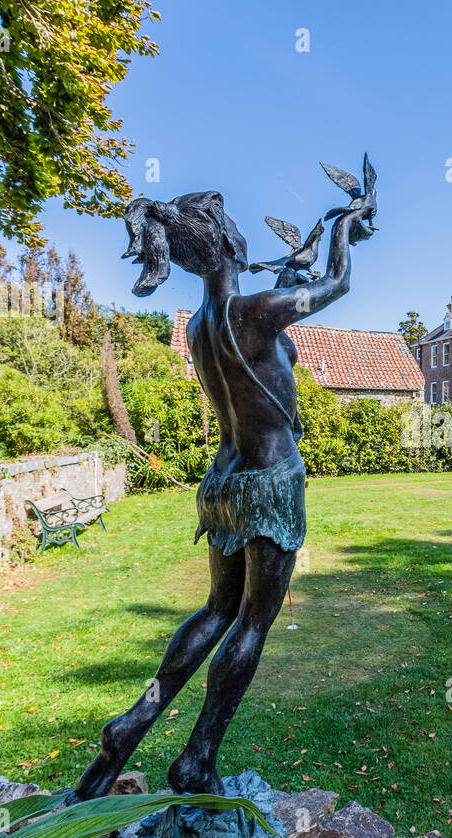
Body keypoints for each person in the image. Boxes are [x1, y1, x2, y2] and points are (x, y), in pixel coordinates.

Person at [74, 176, 376, 799]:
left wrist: (290, 276)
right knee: (252, 623)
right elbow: (339, 284)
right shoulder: (255, 312)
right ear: (228, 245)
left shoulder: (202, 326)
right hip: (269, 483)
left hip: (222, 482)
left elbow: (268, 353)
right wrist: (347, 225)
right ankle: (198, 757)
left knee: (214, 611)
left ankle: (134, 722)